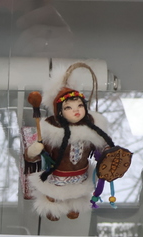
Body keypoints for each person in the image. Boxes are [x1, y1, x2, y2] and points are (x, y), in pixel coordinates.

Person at [25, 63, 116, 221]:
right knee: (53, 195)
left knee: (78, 194)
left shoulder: (92, 129)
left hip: (80, 174)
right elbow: (37, 157)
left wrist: (108, 154)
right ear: (60, 111)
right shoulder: (51, 132)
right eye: (69, 107)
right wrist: (34, 152)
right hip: (56, 175)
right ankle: (53, 208)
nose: (76, 110)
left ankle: (74, 207)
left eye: (80, 105)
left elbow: (100, 148)